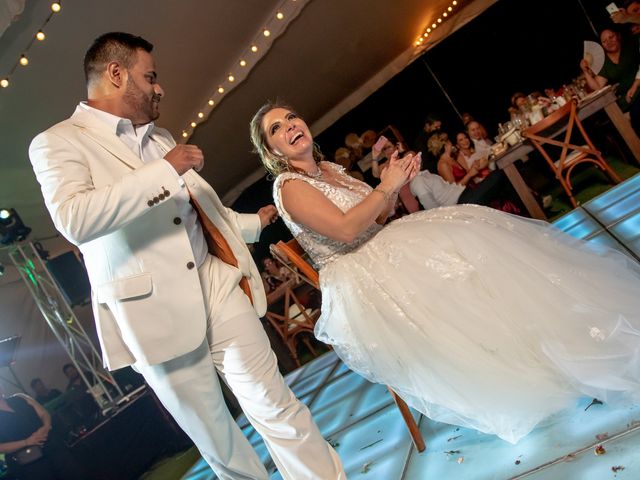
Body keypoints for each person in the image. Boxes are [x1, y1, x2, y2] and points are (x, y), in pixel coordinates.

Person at [29, 33, 344, 479]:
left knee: (274, 402)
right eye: (150, 77)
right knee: (220, 440)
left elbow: (200, 215)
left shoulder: (159, 137)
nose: (159, 89)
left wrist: (255, 221)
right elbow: (74, 219)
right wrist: (166, 170)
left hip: (216, 285)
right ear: (116, 74)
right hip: (152, 313)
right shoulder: (58, 142)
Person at [249, 101, 640, 444]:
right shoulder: (289, 186)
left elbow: (379, 214)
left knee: (475, 235)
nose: (291, 126)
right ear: (272, 151)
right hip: (358, 271)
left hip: (382, 242)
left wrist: (396, 180)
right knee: (461, 260)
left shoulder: (331, 168)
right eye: (277, 128)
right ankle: (516, 357)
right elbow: (348, 229)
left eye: (292, 117)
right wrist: (386, 185)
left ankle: (543, 339)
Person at [0, 385, 89, 480]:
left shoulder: (20, 397)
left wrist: (45, 427)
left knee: (75, 474)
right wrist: (27, 442)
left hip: (52, 446)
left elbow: (43, 413)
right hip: (30, 462)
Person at [580, 28, 640, 133]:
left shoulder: (631, 46)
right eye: (604, 41)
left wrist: (635, 84)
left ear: (618, 36)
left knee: (636, 114)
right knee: (606, 124)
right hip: (626, 98)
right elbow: (597, 86)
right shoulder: (605, 62)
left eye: (611, 37)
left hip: (638, 89)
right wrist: (585, 71)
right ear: (602, 45)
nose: (609, 42)